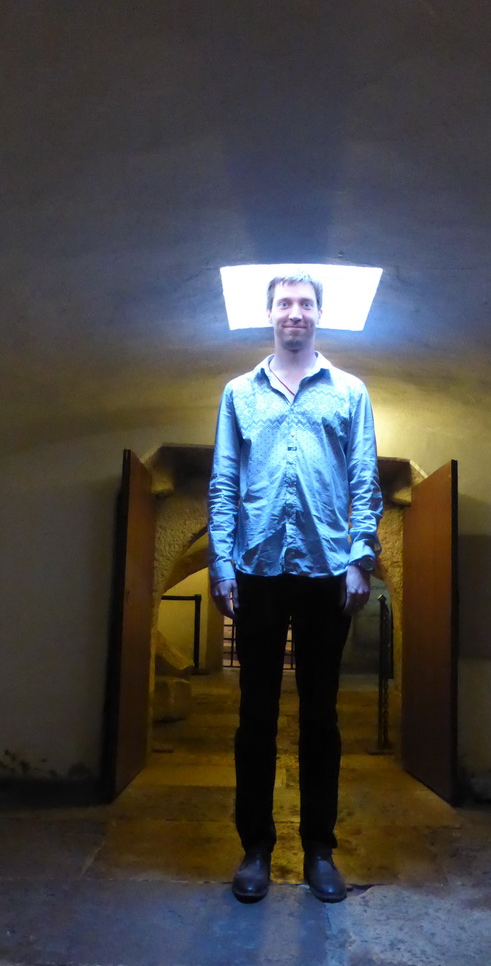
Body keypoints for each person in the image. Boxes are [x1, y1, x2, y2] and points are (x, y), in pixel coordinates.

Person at [208, 271, 382, 903]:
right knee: (255, 716)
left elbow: (364, 477)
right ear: (269, 314)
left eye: (306, 304)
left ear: (318, 315)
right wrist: (222, 562)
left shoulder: (350, 392)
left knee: (321, 717)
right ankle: (255, 847)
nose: (295, 313)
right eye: (284, 303)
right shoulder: (237, 393)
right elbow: (224, 479)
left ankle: (319, 850)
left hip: (325, 573)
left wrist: (360, 559)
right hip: (255, 571)